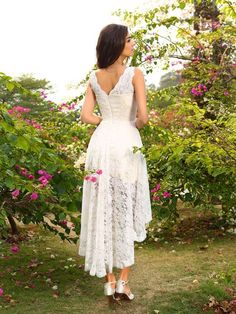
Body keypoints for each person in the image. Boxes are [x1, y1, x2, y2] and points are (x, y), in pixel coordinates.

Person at [78, 23, 152, 302]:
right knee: (125, 207)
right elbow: (143, 117)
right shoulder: (134, 74)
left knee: (104, 208)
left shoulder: (94, 77)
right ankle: (123, 283)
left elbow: (86, 116)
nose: (132, 43)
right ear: (117, 43)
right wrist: (129, 124)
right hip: (125, 143)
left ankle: (109, 283)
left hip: (100, 144)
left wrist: (107, 121)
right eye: (129, 39)